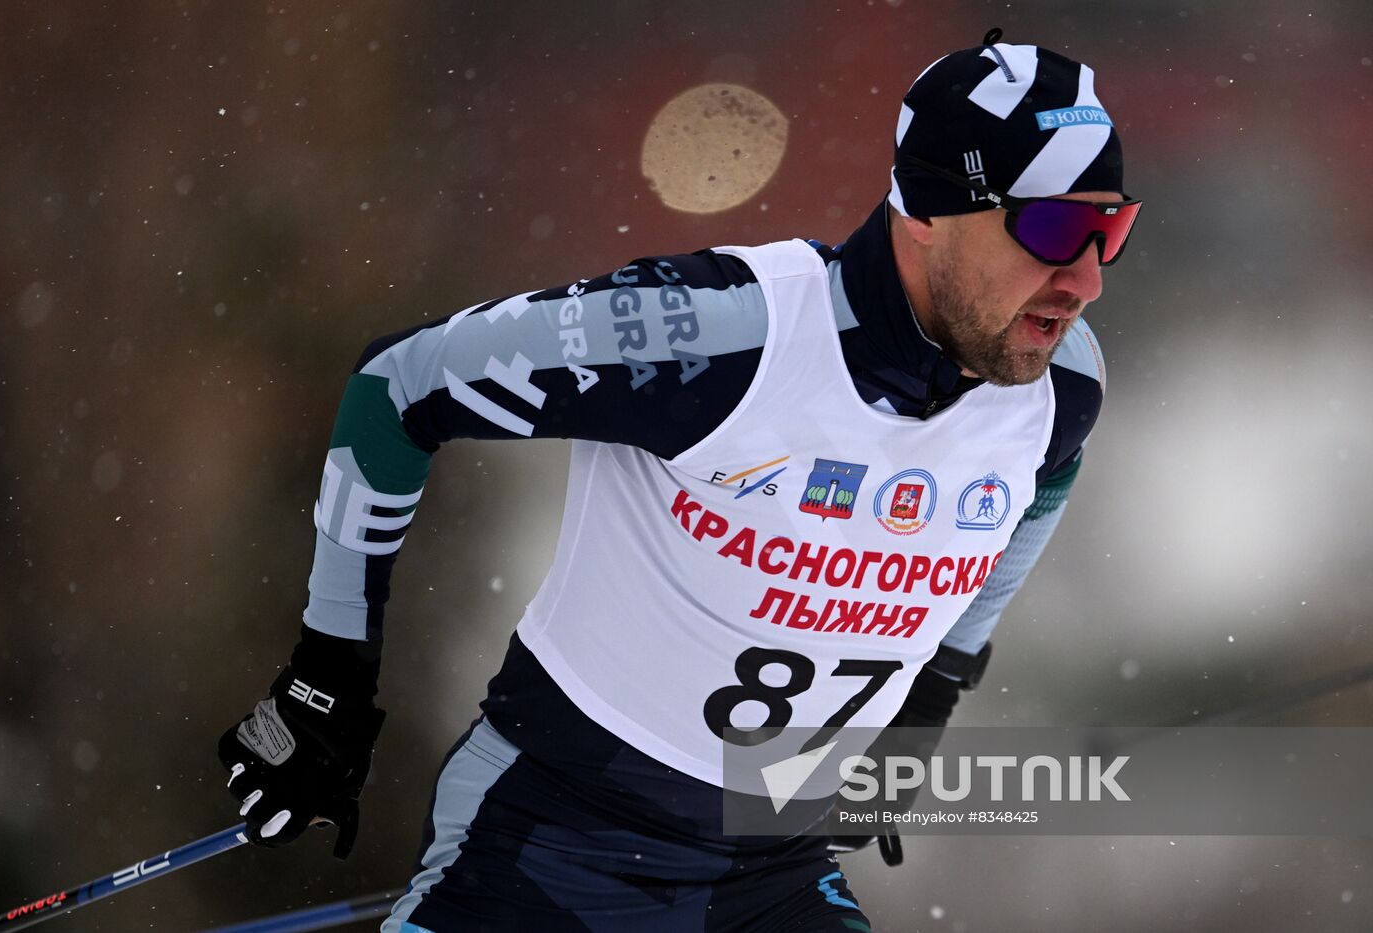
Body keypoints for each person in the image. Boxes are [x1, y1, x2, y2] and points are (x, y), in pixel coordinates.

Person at [218, 30, 1140, 931]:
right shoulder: (715, 336)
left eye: (1113, 229)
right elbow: (400, 388)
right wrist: (326, 677)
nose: (1086, 281)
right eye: (1056, 227)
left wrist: (933, 691)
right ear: (927, 206)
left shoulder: (1058, 383)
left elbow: (1045, 482)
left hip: (774, 867)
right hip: (552, 843)